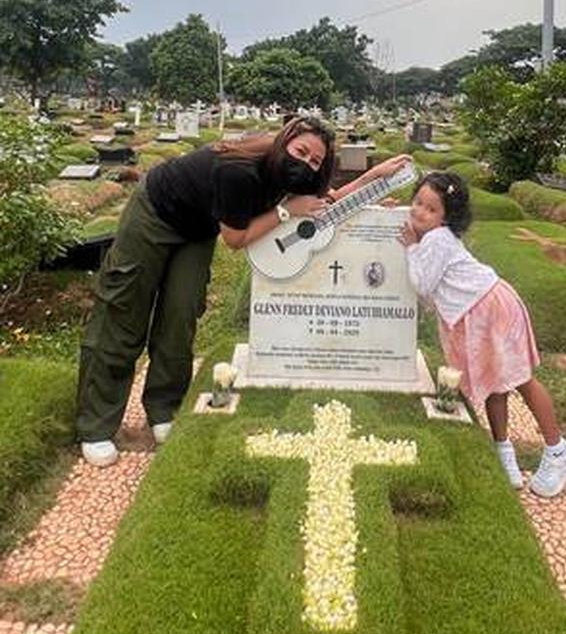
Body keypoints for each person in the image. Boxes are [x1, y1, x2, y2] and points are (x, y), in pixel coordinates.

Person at [77, 117, 410, 467]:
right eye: (301, 151)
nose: (306, 163)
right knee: (125, 308)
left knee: (181, 313)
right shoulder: (239, 170)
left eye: (315, 160)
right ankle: (96, 425)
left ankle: (164, 409)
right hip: (157, 211)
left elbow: (327, 200)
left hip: (197, 229)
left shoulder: (297, 175)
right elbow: (235, 239)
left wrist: (376, 176)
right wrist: (285, 211)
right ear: (285, 141)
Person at [399, 171, 566, 498]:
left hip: (490, 309)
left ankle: (558, 451)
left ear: (446, 217)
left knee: (521, 379)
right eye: (418, 202)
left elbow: (423, 284)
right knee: (497, 384)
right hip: (480, 309)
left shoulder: (437, 238)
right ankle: (503, 450)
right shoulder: (434, 236)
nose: (420, 212)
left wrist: (410, 247)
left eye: (431, 209)